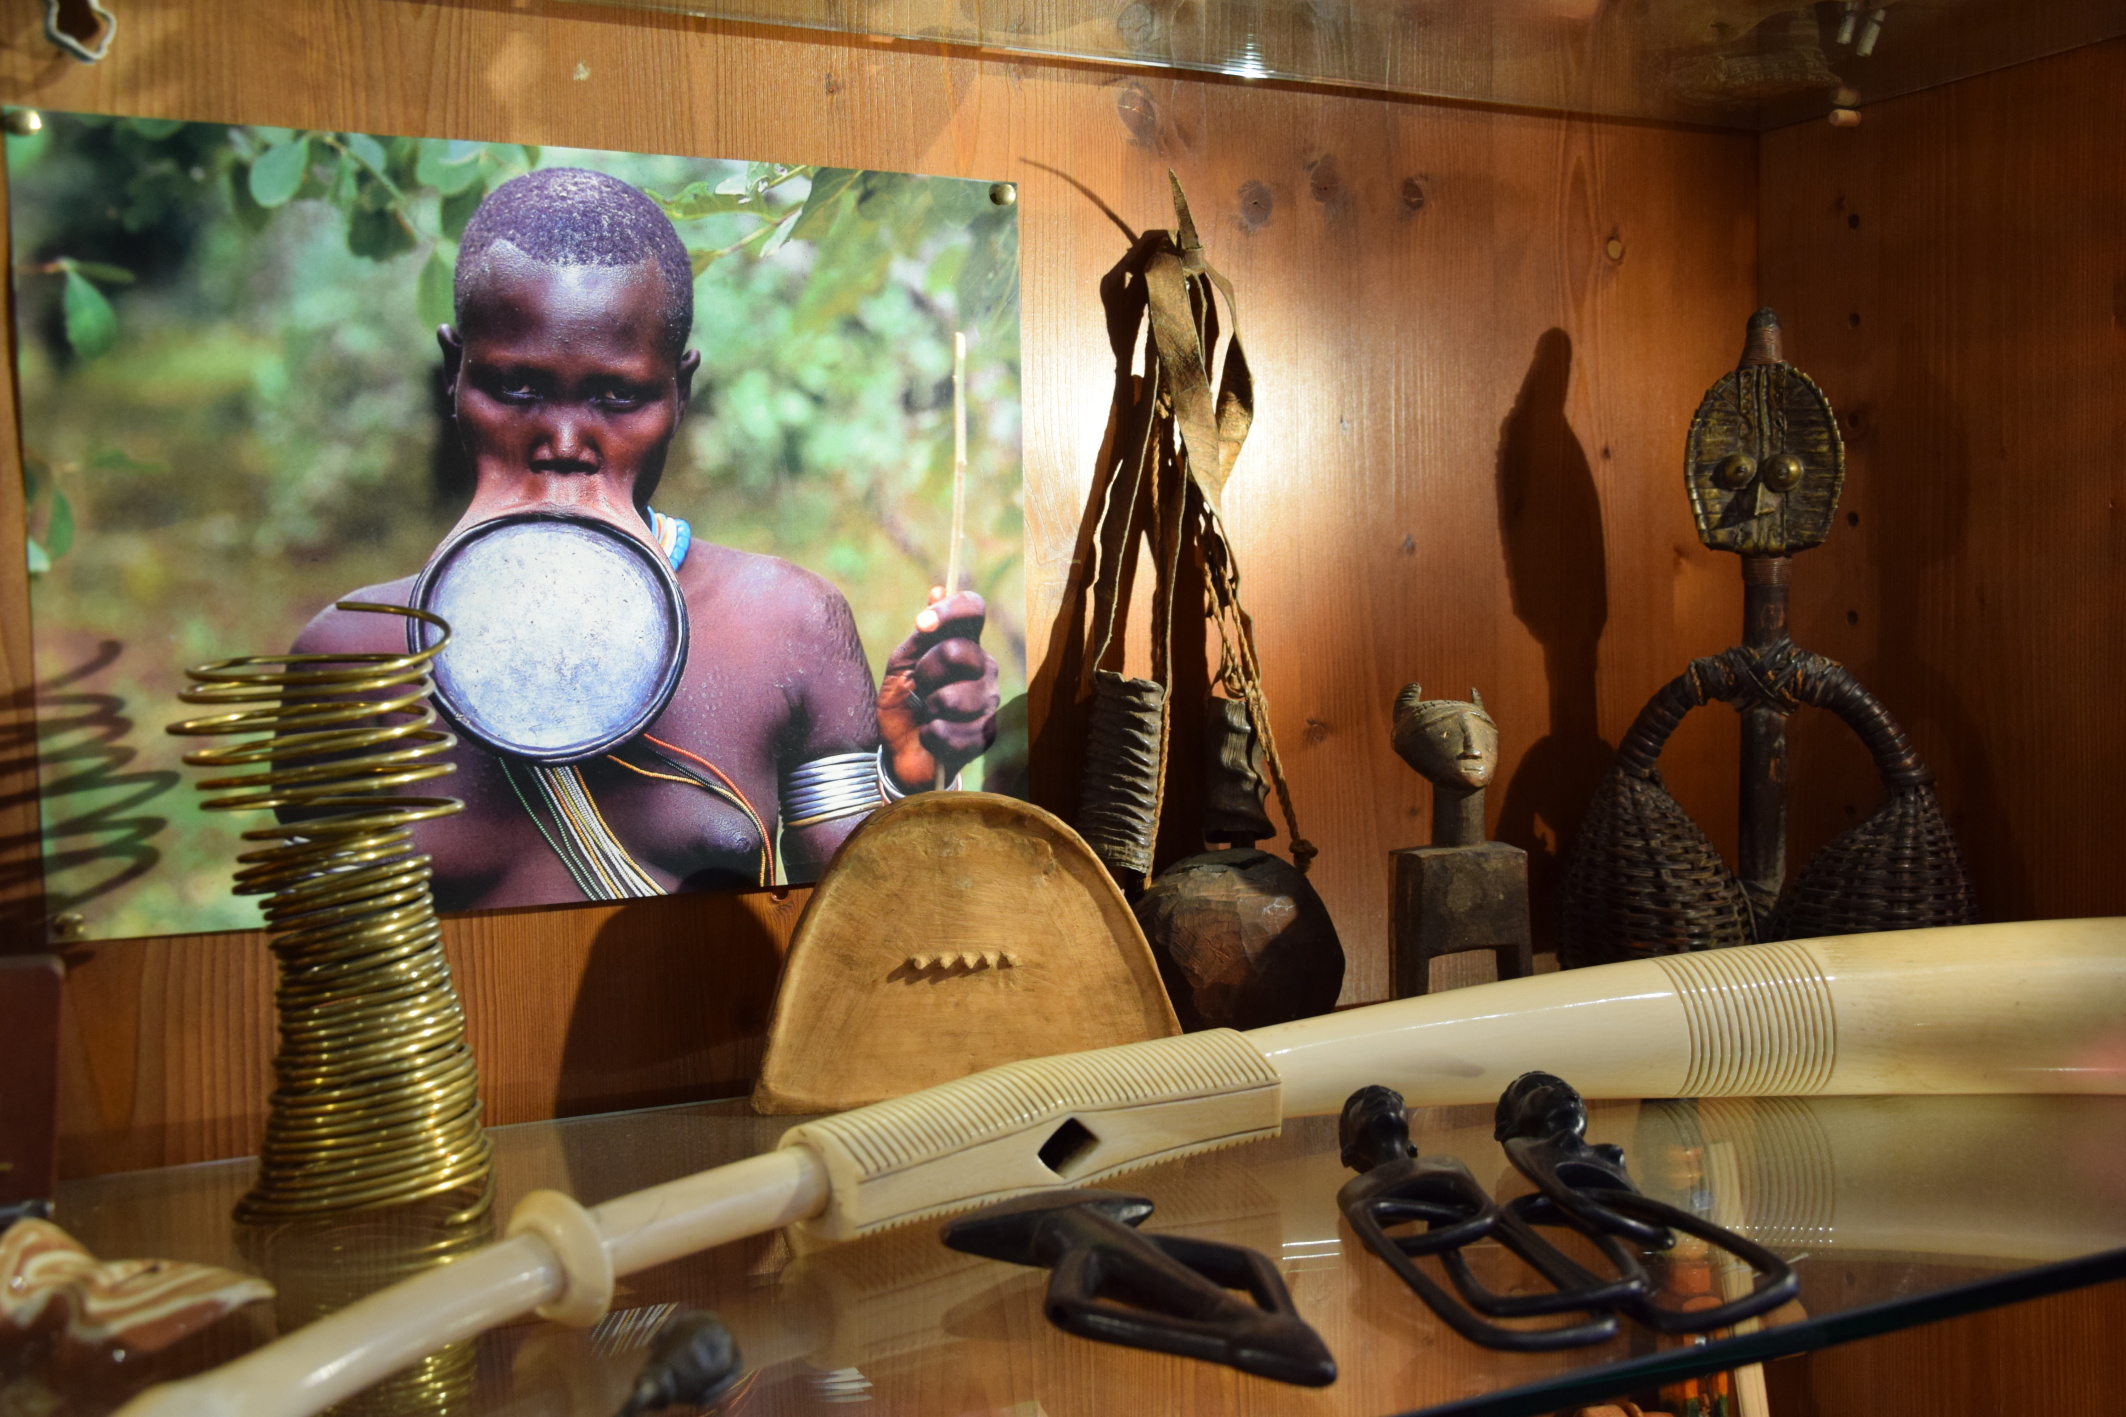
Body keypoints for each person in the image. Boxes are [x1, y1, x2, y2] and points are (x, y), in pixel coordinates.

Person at [294, 168, 999, 910]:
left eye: (617, 395)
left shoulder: (787, 628)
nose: (564, 442)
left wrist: (907, 782)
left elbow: (857, 922)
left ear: (679, 393)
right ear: (453, 374)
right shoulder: (346, 659)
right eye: (516, 388)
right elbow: (321, 949)